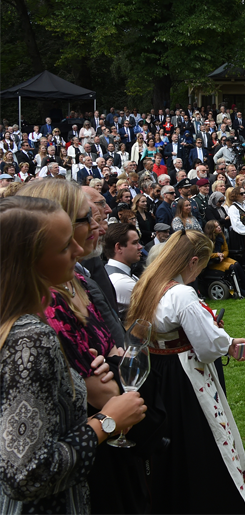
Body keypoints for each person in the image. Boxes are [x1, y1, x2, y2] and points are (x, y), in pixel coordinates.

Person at [0, 196, 147, 514]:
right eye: (65, 246)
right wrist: (108, 422)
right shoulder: (31, 337)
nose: (79, 252)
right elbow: (27, 474)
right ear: (31, 260)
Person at [126, 230, 245, 514]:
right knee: (200, 441)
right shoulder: (182, 294)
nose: (200, 272)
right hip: (184, 376)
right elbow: (208, 345)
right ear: (192, 261)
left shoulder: (146, 284)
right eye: (201, 265)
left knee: (172, 444)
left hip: (157, 371)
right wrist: (227, 342)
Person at [204, 220, 245, 297]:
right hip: (213, 262)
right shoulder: (207, 240)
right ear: (211, 229)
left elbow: (226, 250)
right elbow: (207, 254)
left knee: (237, 264)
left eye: (218, 226)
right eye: (216, 227)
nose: (219, 228)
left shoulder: (221, 236)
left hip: (222, 259)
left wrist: (222, 255)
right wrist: (217, 255)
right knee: (232, 267)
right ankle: (239, 290)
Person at [104, 222, 143, 317]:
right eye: (134, 243)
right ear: (119, 247)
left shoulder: (122, 275)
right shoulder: (121, 281)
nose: (140, 247)